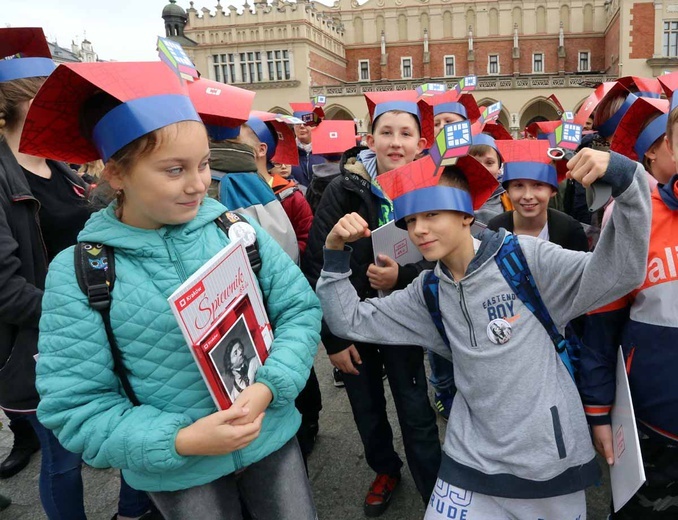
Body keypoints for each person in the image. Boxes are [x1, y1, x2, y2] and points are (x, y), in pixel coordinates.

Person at [24, 60, 321, 520]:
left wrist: (269, 387)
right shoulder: (81, 272)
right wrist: (180, 439)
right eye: (174, 169)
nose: (199, 184)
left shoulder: (235, 230)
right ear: (116, 174)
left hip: (270, 435)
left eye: (203, 164)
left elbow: (299, 310)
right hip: (180, 472)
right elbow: (74, 406)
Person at [315, 143, 652, 518]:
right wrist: (334, 254)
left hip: (546, 462)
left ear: (465, 215)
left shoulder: (524, 259)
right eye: (410, 221)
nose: (419, 230)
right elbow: (350, 320)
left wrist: (627, 177)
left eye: (430, 214)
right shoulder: (427, 292)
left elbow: (621, 272)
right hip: (468, 461)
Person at [0, 29, 156, 520]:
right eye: (47, 95)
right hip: (47, 340)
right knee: (63, 461)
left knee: (132, 429)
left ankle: (131, 513)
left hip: (102, 322)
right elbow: (5, 290)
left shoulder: (63, 169)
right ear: (17, 103)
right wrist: (78, 313)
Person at [304, 92, 441, 516]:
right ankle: (385, 469)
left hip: (404, 320)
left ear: (421, 142)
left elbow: (447, 260)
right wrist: (332, 340)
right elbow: (313, 263)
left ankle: (435, 488)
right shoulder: (342, 189)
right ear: (370, 138)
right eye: (386, 133)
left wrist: (402, 277)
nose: (395, 143)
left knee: (415, 407)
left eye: (405, 133)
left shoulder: (430, 190)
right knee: (366, 407)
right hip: (353, 324)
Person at [578, 94, 678, 520]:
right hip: (653, 430)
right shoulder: (640, 217)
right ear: (670, 146)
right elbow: (601, 321)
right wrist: (599, 410)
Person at [487, 140, 589, 252]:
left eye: (537, 185)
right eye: (519, 185)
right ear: (507, 191)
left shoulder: (570, 231)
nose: (527, 195)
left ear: (553, 190)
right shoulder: (495, 229)